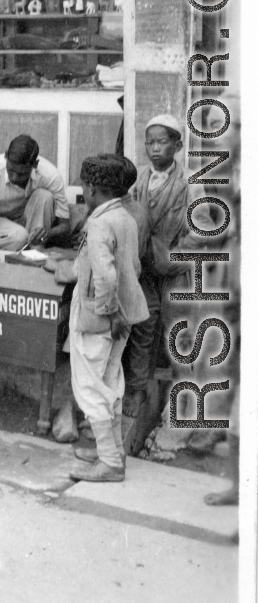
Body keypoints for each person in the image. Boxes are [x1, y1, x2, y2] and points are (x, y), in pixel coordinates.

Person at [63, 155, 149, 482]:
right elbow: (132, 268)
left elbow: (107, 278)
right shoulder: (124, 216)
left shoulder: (98, 223)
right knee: (111, 383)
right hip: (123, 315)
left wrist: (109, 313)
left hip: (101, 317)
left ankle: (110, 462)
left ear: (91, 188)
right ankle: (111, 451)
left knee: (89, 387)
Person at [122, 114, 213, 419]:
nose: (155, 148)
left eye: (162, 141)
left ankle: (185, 402)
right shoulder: (138, 182)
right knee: (141, 331)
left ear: (177, 145)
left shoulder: (190, 185)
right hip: (145, 270)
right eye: (150, 142)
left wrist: (172, 258)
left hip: (175, 273)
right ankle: (137, 392)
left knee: (178, 335)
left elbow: (202, 230)